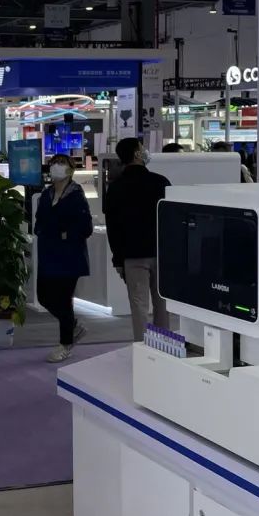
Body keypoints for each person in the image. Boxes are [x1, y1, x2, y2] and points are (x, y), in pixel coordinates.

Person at [103, 137, 171, 341]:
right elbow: (171, 219)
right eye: (142, 148)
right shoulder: (160, 182)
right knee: (162, 303)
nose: (145, 151)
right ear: (137, 154)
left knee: (138, 304)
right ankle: (164, 344)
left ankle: (142, 346)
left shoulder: (115, 188)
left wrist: (118, 259)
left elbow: (113, 227)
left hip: (132, 255)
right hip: (161, 252)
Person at [35, 154, 94, 363]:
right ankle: (72, 326)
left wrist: (63, 234)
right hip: (48, 254)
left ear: (70, 170)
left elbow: (85, 228)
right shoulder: (46, 194)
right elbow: (39, 222)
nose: (55, 167)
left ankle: (65, 343)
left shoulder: (76, 195)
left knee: (63, 299)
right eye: (53, 164)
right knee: (44, 297)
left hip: (69, 257)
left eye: (60, 164)